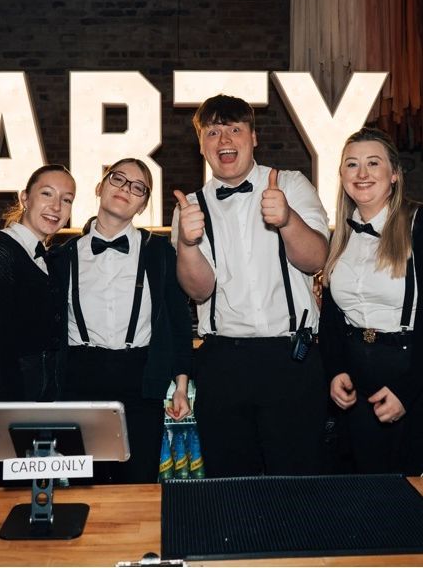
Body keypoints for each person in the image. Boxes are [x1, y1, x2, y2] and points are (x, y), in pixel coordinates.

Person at [172, 94, 329, 477]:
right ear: (201, 145)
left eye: (234, 129)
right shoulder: (189, 207)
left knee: (298, 482)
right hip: (223, 362)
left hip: (292, 358)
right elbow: (199, 291)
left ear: (253, 137)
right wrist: (188, 244)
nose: (224, 139)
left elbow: (316, 259)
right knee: (231, 485)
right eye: (213, 132)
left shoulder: (291, 184)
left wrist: (287, 219)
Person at [52, 158, 193, 484]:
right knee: (83, 486)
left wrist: (181, 386)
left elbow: (178, 320)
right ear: (99, 187)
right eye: (118, 179)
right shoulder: (62, 256)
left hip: (140, 381)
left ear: (143, 205)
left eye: (138, 187)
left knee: (138, 485)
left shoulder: (160, 253)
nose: (126, 189)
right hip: (78, 380)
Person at [0, 164, 76, 486]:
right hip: (4, 414)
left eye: (66, 199)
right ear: (25, 198)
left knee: (32, 504)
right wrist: (9, 423)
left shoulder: (44, 256)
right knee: (2, 506)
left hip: (32, 411)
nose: (56, 206)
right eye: (47, 194)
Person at [319, 127, 423, 474]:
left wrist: (407, 390)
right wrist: (336, 370)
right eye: (352, 164)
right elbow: (332, 317)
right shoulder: (341, 236)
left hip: (410, 373)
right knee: (363, 491)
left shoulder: (418, 225)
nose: (361, 173)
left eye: (373, 163)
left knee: (408, 493)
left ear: (394, 174)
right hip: (356, 381)